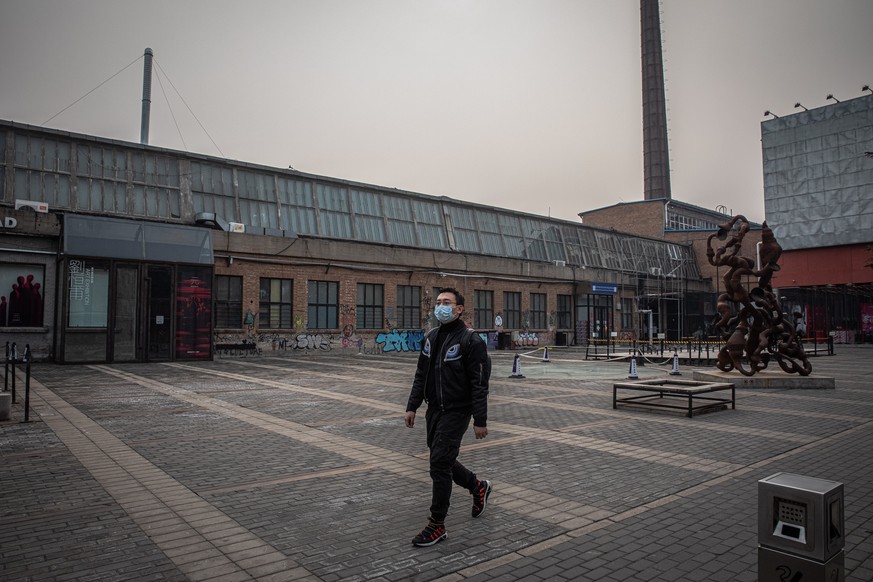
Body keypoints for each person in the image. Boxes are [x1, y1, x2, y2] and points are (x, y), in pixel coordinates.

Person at [405, 287, 492, 547]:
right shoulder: (431, 337)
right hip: (435, 409)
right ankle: (477, 486)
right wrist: (412, 406)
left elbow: (479, 383)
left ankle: (437, 525)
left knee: (439, 463)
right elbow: (421, 375)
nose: (440, 306)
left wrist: (480, 420)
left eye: (447, 302)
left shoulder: (471, 340)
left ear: (459, 309)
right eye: (438, 302)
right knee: (442, 457)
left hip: (457, 410)